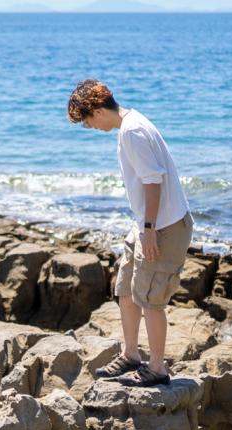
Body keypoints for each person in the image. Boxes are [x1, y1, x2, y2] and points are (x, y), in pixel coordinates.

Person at [66, 79, 193, 385]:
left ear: (96, 111)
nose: (90, 127)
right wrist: (142, 227)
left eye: (86, 121)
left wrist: (149, 229)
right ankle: (131, 354)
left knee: (151, 298)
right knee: (126, 290)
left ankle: (158, 369)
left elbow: (153, 181)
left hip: (163, 227)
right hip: (147, 224)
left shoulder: (133, 131)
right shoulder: (129, 126)